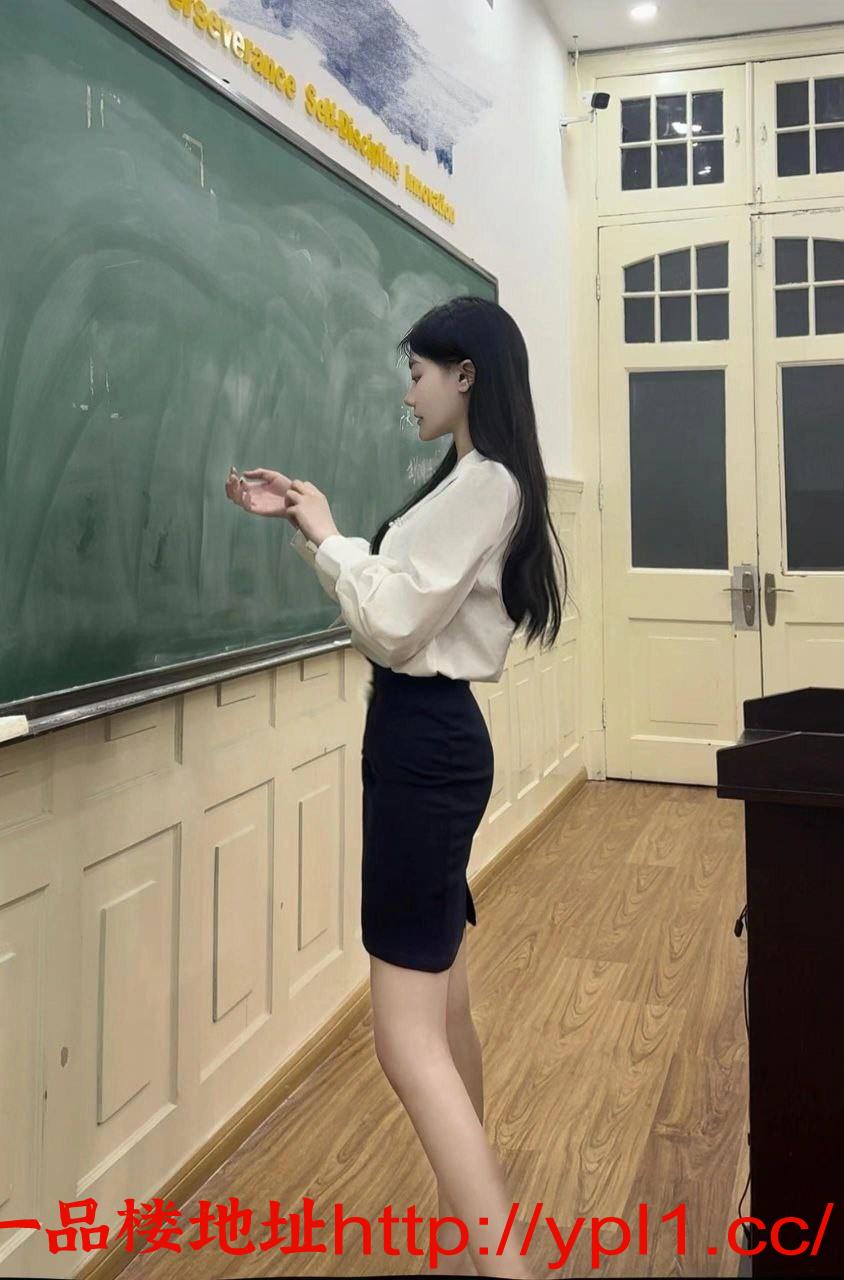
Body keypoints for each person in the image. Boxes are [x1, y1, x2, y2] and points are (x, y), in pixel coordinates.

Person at [225, 295, 569, 1278]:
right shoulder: (475, 478)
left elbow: (392, 624)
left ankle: (499, 1262)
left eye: (416, 373)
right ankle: (473, 1244)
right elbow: (396, 594)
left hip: (424, 747)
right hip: (429, 740)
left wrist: (330, 534)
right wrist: (315, 529)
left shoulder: (483, 482)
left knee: (403, 1037)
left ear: (465, 375)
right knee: (443, 1007)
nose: (406, 392)